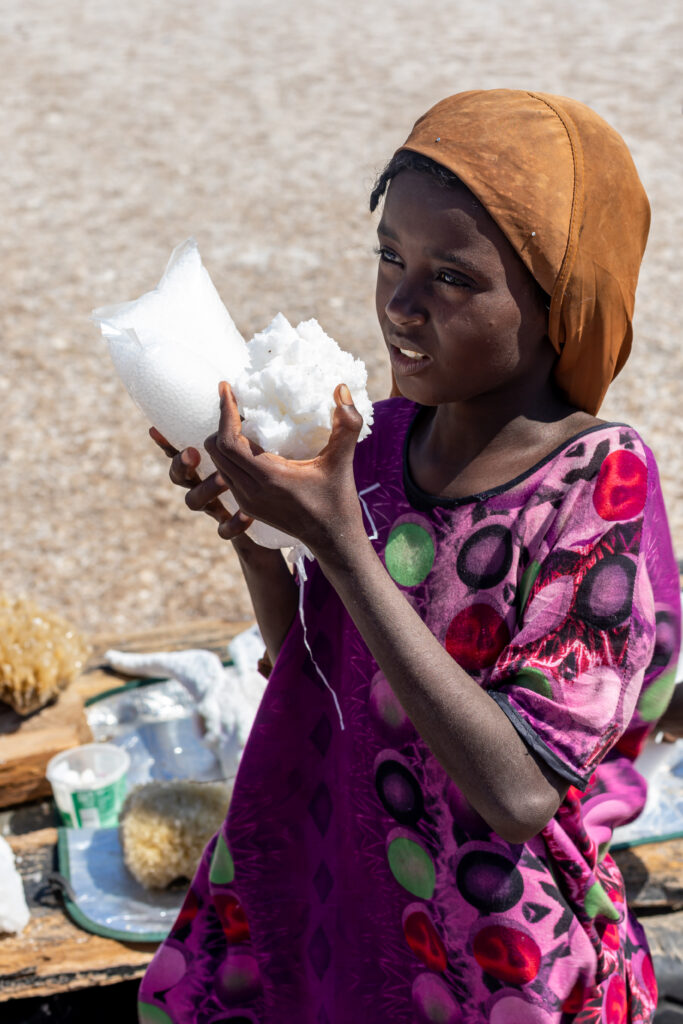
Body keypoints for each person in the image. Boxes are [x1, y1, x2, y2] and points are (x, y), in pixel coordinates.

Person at [137, 90, 681, 1024]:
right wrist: (264, 543)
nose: (400, 302)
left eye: (452, 278)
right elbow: (326, 675)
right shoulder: (378, 443)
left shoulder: (595, 481)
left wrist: (339, 542)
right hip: (337, 874)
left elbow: (517, 791)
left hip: (486, 939)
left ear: (561, 302)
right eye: (390, 256)